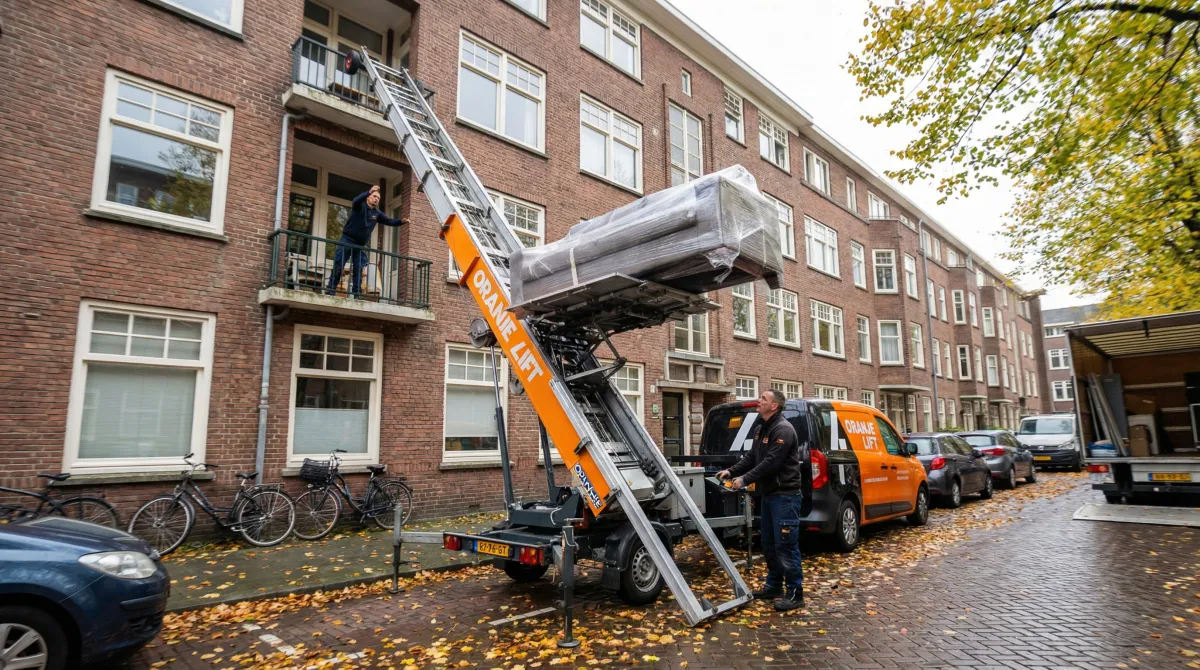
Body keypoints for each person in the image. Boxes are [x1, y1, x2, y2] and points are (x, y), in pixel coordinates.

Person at [718, 388, 810, 611]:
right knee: (769, 544)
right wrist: (731, 472)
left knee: (786, 546)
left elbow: (771, 463)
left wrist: (744, 479)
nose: (758, 401)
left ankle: (795, 594)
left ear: (774, 406)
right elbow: (752, 457)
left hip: (785, 497)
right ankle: (774, 586)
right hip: (769, 496)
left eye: (764, 399)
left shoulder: (783, 430)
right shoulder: (761, 429)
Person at [326, 185, 408, 297]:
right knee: (339, 264)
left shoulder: (377, 213)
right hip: (347, 239)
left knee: (358, 269)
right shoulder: (360, 206)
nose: (376, 199)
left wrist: (400, 222)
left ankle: (356, 293)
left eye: (378, 198)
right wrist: (369, 191)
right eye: (374, 196)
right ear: (368, 197)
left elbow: (389, 221)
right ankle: (330, 289)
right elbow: (355, 201)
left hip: (360, 245)